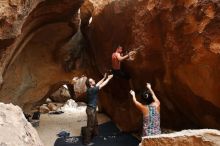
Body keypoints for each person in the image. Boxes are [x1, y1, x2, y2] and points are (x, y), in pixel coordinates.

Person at [83, 73, 113, 145]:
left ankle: (95, 133)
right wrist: (109, 78)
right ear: (90, 84)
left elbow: (98, 84)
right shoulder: (92, 90)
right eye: (92, 80)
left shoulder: (91, 88)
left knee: (95, 122)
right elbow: (102, 85)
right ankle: (87, 142)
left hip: (91, 109)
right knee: (90, 126)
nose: (93, 80)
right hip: (91, 110)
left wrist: (104, 77)